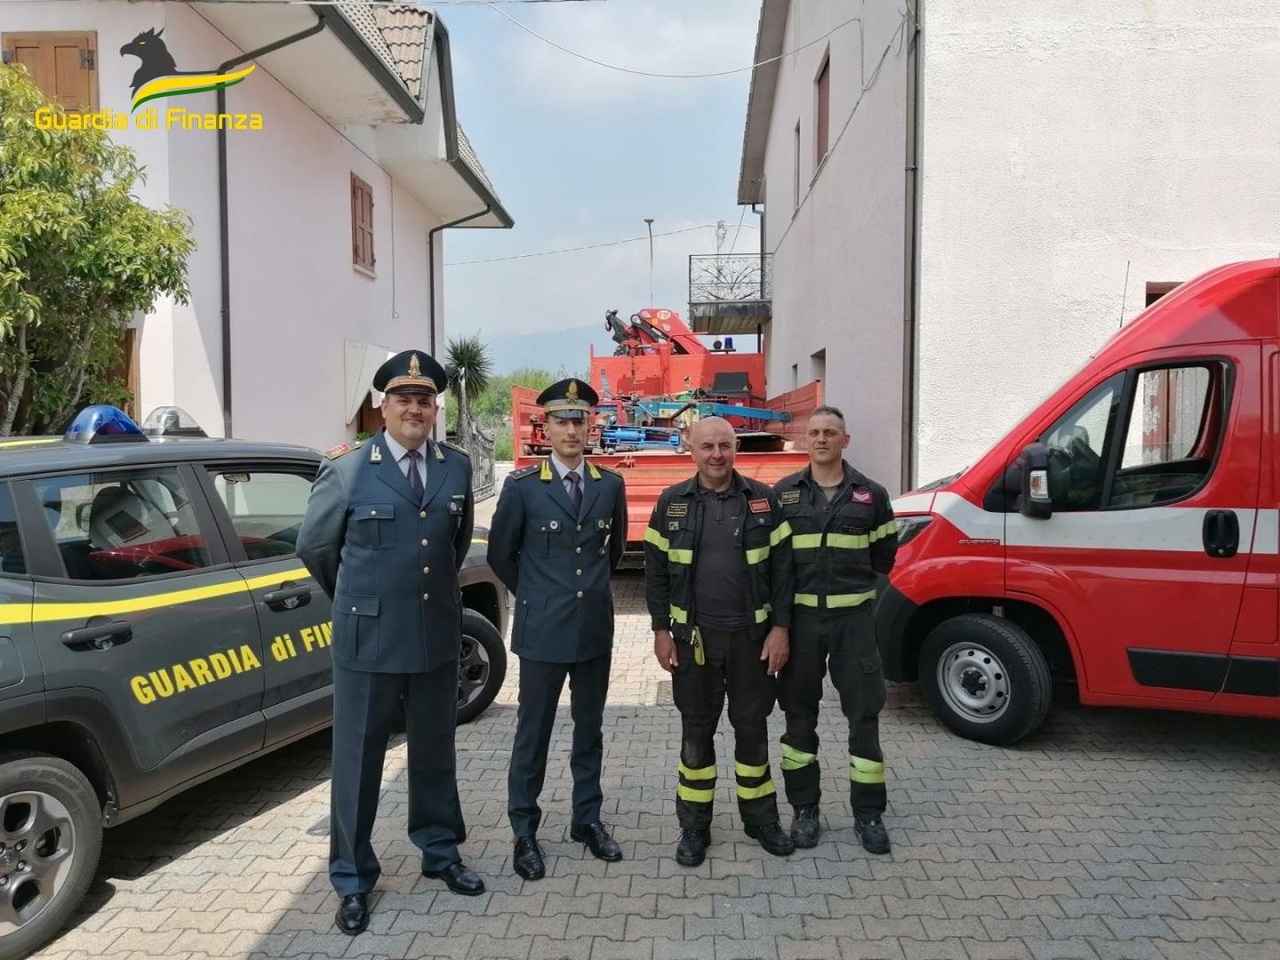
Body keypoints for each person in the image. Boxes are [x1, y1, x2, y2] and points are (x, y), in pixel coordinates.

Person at [297, 349, 484, 937]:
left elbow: (451, 550)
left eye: (425, 399)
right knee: (357, 763)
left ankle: (440, 852)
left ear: (435, 409)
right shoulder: (348, 468)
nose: (414, 408)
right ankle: (352, 879)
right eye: (403, 398)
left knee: (435, 753)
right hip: (368, 641)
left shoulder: (454, 468)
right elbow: (316, 549)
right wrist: (362, 602)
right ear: (382, 406)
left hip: (433, 635)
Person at [487, 377, 629, 880]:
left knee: (589, 732)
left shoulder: (610, 485)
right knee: (534, 734)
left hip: (592, 629)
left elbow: (610, 555)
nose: (571, 429)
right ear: (544, 427)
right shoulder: (523, 487)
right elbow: (500, 554)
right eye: (561, 420)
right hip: (543, 632)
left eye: (579, 419)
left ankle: (586, 820)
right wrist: (540, 597)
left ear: (591, 426)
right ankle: (524, 830)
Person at [643, 416, 796, 867]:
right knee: (696, 735)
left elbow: (785, 572)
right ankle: (694, 827)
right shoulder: (671, 504)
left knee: (752, 731)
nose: (716, 455)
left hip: (753, 640)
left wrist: (781, 629)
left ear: (736, 449)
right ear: (691, 448)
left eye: (725, 446)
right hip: (694, 643)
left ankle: (761, 820)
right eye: (707, 446)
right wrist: (659, 632)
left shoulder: (764, 502)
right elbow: (653, 573)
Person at [773, 406, 898, 854]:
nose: (821, 439)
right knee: (798, 718)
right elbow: (775, 567)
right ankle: (805, 810)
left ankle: (868, 815)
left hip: (854, 625)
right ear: (804, 441)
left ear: (845, 440)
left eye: (830, 432)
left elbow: (884, 559)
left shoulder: (871, 495)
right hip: (802, 624)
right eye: (814, 433)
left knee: (864, 718)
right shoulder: (783, 495)